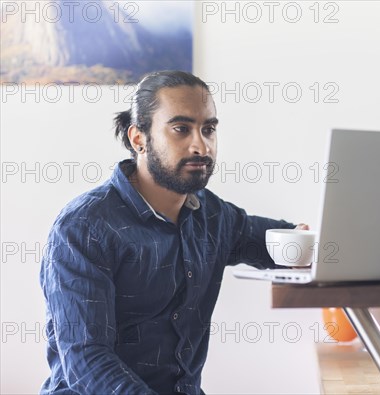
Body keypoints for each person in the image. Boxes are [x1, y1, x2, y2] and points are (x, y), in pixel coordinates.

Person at [39, 70, 309, 394]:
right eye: (181, 129)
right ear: (138, 138)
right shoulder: (84, 228)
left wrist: (317, 242)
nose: (200, 146)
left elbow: (283, 244)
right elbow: (86, 360)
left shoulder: (212, 215)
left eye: (208, 129)